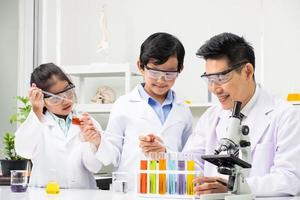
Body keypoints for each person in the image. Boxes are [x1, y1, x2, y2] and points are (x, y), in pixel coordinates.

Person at [182, 32, 300, 196]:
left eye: (222, 77)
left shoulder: (286, 116)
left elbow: (289, 179)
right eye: (210, 79)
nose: (215, 89)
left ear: (247, 71)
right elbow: (190, 163)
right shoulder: (211, 117)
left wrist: (233, 186)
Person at [85, 32, 193, 189]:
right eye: (154, 72)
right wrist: (98, 141)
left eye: (169, 73)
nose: (161, 80)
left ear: (180, 69)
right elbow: (112, 156)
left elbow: (189, 157)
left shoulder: (183, 110)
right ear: (141, 67)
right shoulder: (123, 104)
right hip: (132, 190)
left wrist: (164, 152)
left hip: (172, 190)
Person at [15, 63, 102, 189]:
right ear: (41, 99)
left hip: (82, 196)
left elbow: (95, 167)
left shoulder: (86, 122)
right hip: (45, 196)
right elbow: (24, 151)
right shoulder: (37, 124)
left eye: (68, 91)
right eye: (55, 98)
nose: (66, 100)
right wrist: (36, 112)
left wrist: (93, 143)